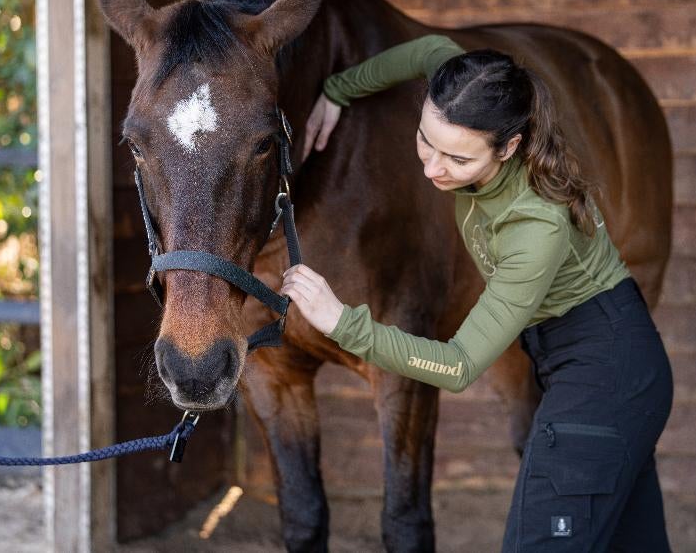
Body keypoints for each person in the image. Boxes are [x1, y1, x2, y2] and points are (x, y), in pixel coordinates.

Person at [280, 34, 674, 552]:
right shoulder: (467, 87)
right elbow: (428, 50)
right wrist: (338, 90)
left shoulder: (537, 224)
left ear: (509, 147)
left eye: (458, 160)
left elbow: (460, 364)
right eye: (426, 140)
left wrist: (341, 322)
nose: (432, 169)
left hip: (602, 373)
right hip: (608, 367)